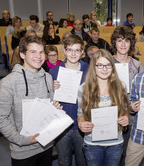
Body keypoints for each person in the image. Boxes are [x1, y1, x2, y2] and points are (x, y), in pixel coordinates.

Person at [0, 35, 61, 166]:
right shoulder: (8, 83)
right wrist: (23, 140)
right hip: (23, 150)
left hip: (46, 145)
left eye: (41, 52)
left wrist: (54, 108)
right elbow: (0, 118)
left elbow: (48, 109)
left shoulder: (48, 78)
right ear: (22, 54)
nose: (38, 56)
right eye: (33, 52)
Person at [77, 49, 130, 166]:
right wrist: (81, 124)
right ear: (94, 67)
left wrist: (125, 118)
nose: (105, 69)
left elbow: (125, 110)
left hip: (115, 143)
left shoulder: (121, 86)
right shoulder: (83, 88)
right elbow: (80, 114)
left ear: (112, 67)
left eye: (108, 65)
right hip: (92, 144)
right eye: (100, 65)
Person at [49, 35, 88, 166]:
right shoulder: (54, 72)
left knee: (82, 160)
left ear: (82, 52)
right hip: (62, 124)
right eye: (70, 50)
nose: (73, 53)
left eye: (77, 50)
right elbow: (47, 100)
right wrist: (52, 91)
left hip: (82, 124)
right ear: (64, 51)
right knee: (64, 161)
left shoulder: (89, 70)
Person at [111, 26, 144, 165]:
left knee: (128, 154)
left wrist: (133, 106)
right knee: (113, 154)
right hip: (112, 114)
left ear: (131, 43)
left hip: (131, 117)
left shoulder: (137, 65)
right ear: (115, 43)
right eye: (119, 40)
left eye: (126, 41)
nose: (123, 44)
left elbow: (141, 92)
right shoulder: (107, 62)